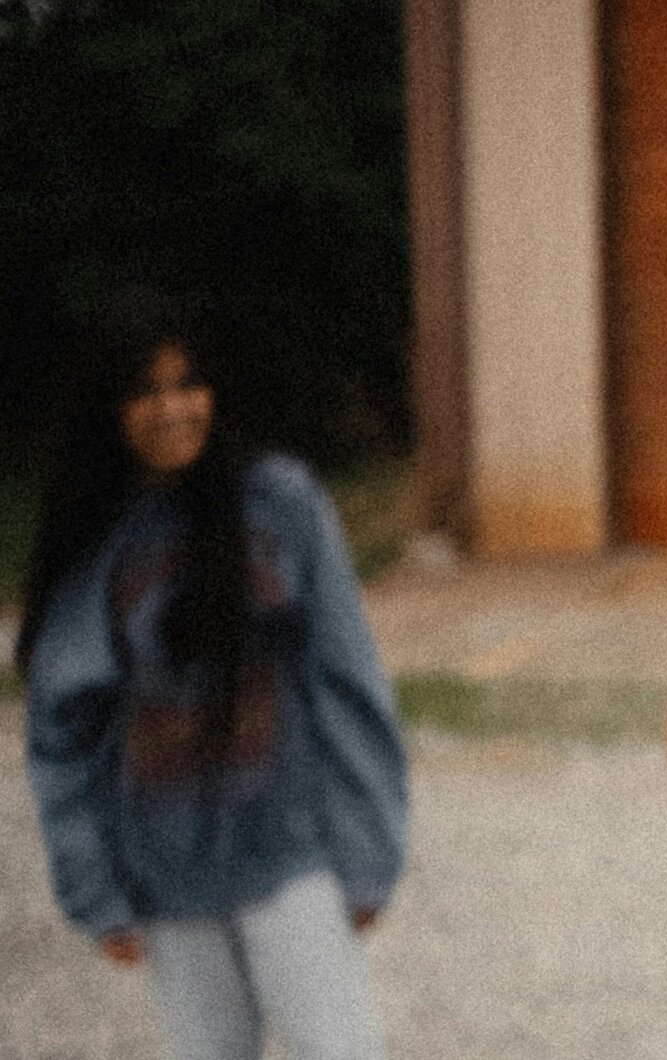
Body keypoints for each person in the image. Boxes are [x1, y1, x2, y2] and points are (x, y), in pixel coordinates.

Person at [20, 290, 407, 1060]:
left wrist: (369, 849)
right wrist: (91, 887)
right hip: (165, 876)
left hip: (289, 852)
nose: (171, 409)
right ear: (110, 406)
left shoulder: (280, 504)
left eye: (187, 384)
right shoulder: (94, 542)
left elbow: (349, 682)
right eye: (145, 389)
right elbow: (63, 732)